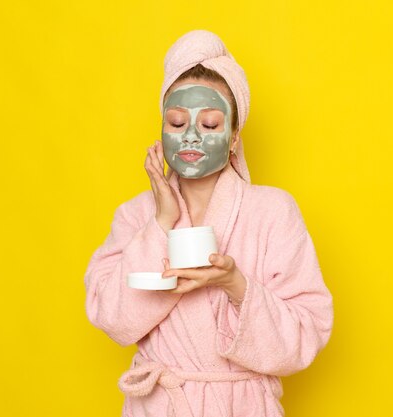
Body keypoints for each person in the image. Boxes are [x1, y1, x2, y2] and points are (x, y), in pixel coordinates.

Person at [84, 29, 334, 417]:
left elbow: (306, 335)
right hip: (160, 407)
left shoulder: (273, 211)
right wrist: (161, 223)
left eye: (212, 125)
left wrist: (235, 284)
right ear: (162, 129)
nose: (192, 137)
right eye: (178, 122)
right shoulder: (135, 215)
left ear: (234, 137)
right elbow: (111, 319)